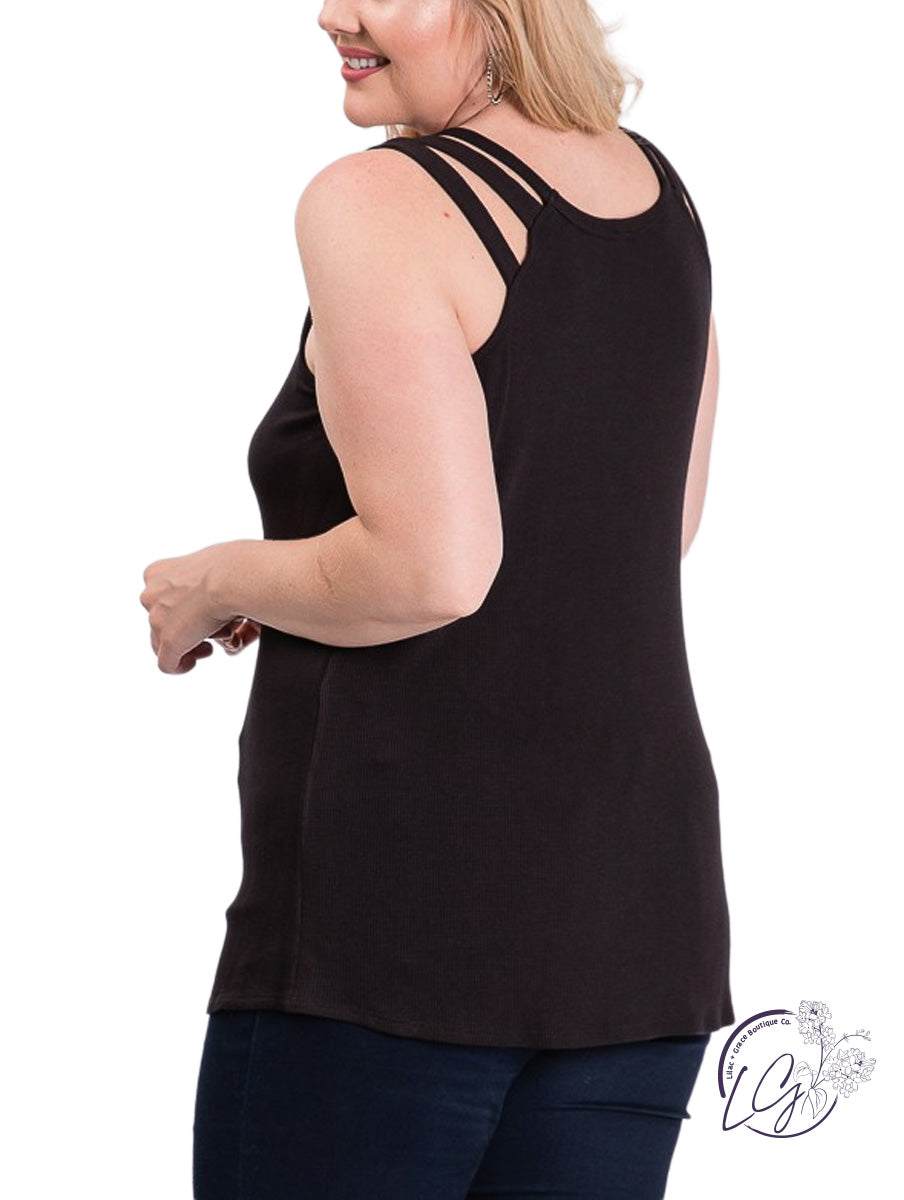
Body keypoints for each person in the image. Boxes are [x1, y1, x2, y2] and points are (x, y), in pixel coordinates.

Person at [139, 1, 734, 1196]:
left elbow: (433, 570)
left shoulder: (380, 198)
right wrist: (318, 585)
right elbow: (642, 533)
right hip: (636, 920)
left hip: (393, 928)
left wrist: (213, 580)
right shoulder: (655, 190)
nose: (333, 12)